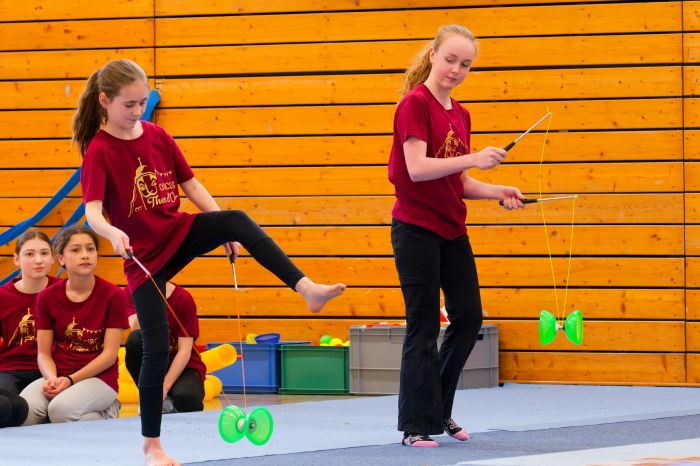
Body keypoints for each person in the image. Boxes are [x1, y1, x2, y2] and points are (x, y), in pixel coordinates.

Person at [73, 58, 346, 466]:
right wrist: (112, 232)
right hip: (144, 258)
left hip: (177, 232)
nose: (137, 111)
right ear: (104, 101)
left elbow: (191, 185)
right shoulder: (100, 150)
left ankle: (307, 289)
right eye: (129, 104)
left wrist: (223, 232)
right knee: (154, 350)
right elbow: (92, 211)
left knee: (235, 220)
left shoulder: (157, 135)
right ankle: (152, 447)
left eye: (143, 103)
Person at [388, 25, 526, 448]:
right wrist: (474, 158)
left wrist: (497, 191)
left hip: (452, 229)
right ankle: (415, 425)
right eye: (450, 59)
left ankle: (438, 409)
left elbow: (457, 181)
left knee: (468, 318)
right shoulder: (414, 104)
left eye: (465, 64)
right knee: (424, 324)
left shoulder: (461, 115)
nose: (456, 69)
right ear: (433, 55)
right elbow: (417, 169)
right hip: (416, 228)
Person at [20, 224, 127, 425]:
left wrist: (70, 380)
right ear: (61, 259)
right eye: (76, 250)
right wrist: (52, 378)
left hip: (100, 378)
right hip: (60, 374)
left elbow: (109, 355)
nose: (85, 255)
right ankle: (80, 418)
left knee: (60, 410)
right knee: (25, 410)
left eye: (90, 249)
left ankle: (109, 409)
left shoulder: (114, 295)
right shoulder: (46, 297)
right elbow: (43, 353)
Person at [0, 228, 59, 427]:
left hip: (54, 369)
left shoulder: (64, 290)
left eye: (44, 253)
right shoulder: (2, 296)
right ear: (16, 259)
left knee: (56, 414)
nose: (38, 260)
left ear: (53, 258)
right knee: (7, 408)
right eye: (30, 254)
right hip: (10, 370)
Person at [124, 283, 206, 414]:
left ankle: (167, 400)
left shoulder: (183, 298)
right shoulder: (131, 291)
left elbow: (184, 351)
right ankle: (151, 397)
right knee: (134, 340)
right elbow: (135, 327)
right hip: (153, 363)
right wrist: (148, 298)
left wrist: (164, 388)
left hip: (183, 367)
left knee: (188, 397)